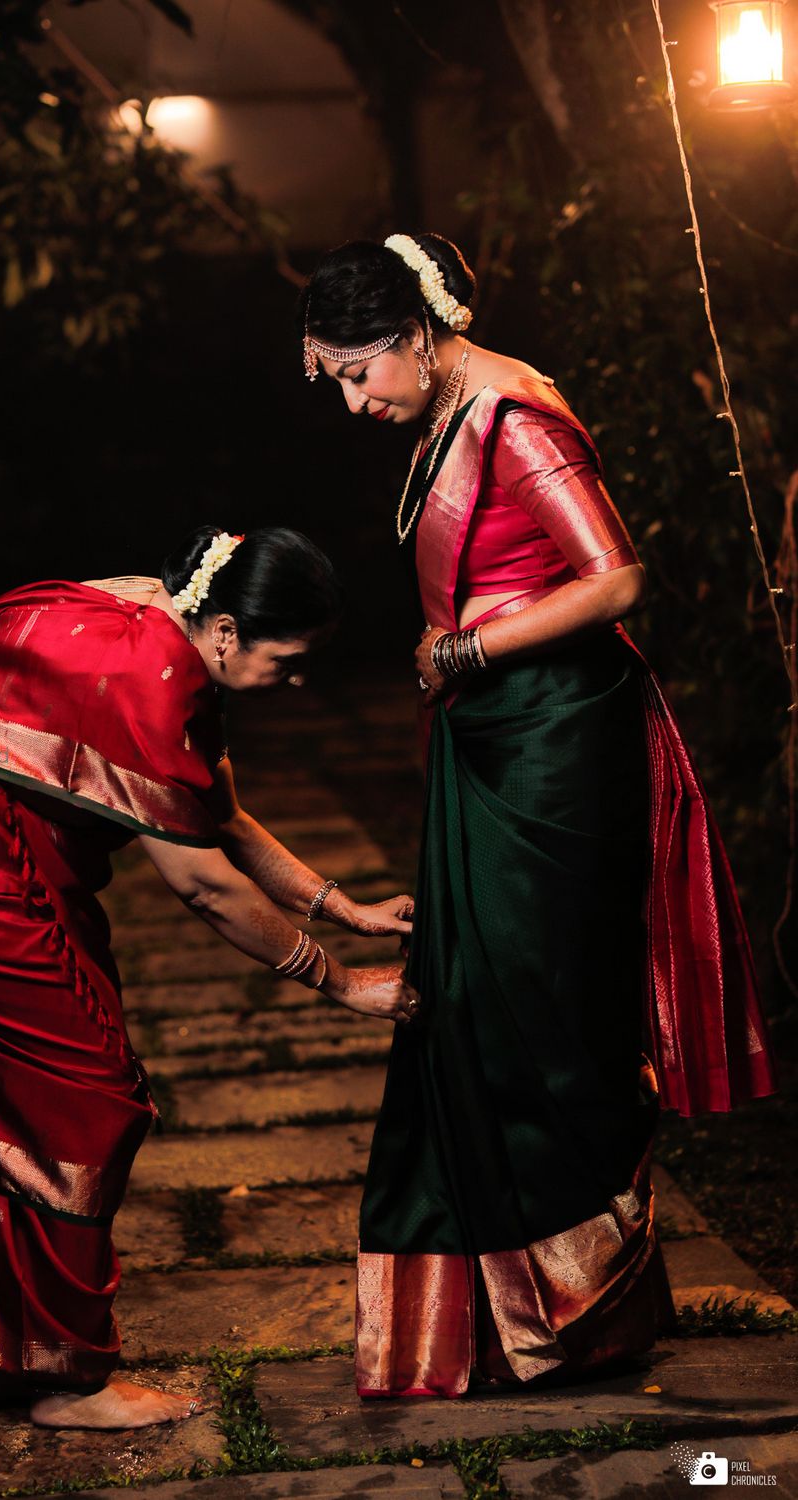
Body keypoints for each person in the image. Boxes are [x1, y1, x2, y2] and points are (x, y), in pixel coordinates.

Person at [299, 233, 776, 1399]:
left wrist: (464, 646)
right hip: (490, 739)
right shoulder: (442, 415)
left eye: (362, 371)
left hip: (558, 747)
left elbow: (615, 579)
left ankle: (582, 1305)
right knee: (474, 1010)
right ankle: (516, 1315)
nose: (357, 400)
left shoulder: (516, 418)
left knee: (547, 1013)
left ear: (416, 335)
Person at [0, 525, 419, 1429]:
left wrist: (338, 905)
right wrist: (345, 985)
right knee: (81, 1098)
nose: (300, 679)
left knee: (2, 1088)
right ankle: (69, 1381)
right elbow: (202, 885)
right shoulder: (148, 683)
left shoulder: (162, 614)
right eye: (291, 659)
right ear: (227, 632)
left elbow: (218, 813)